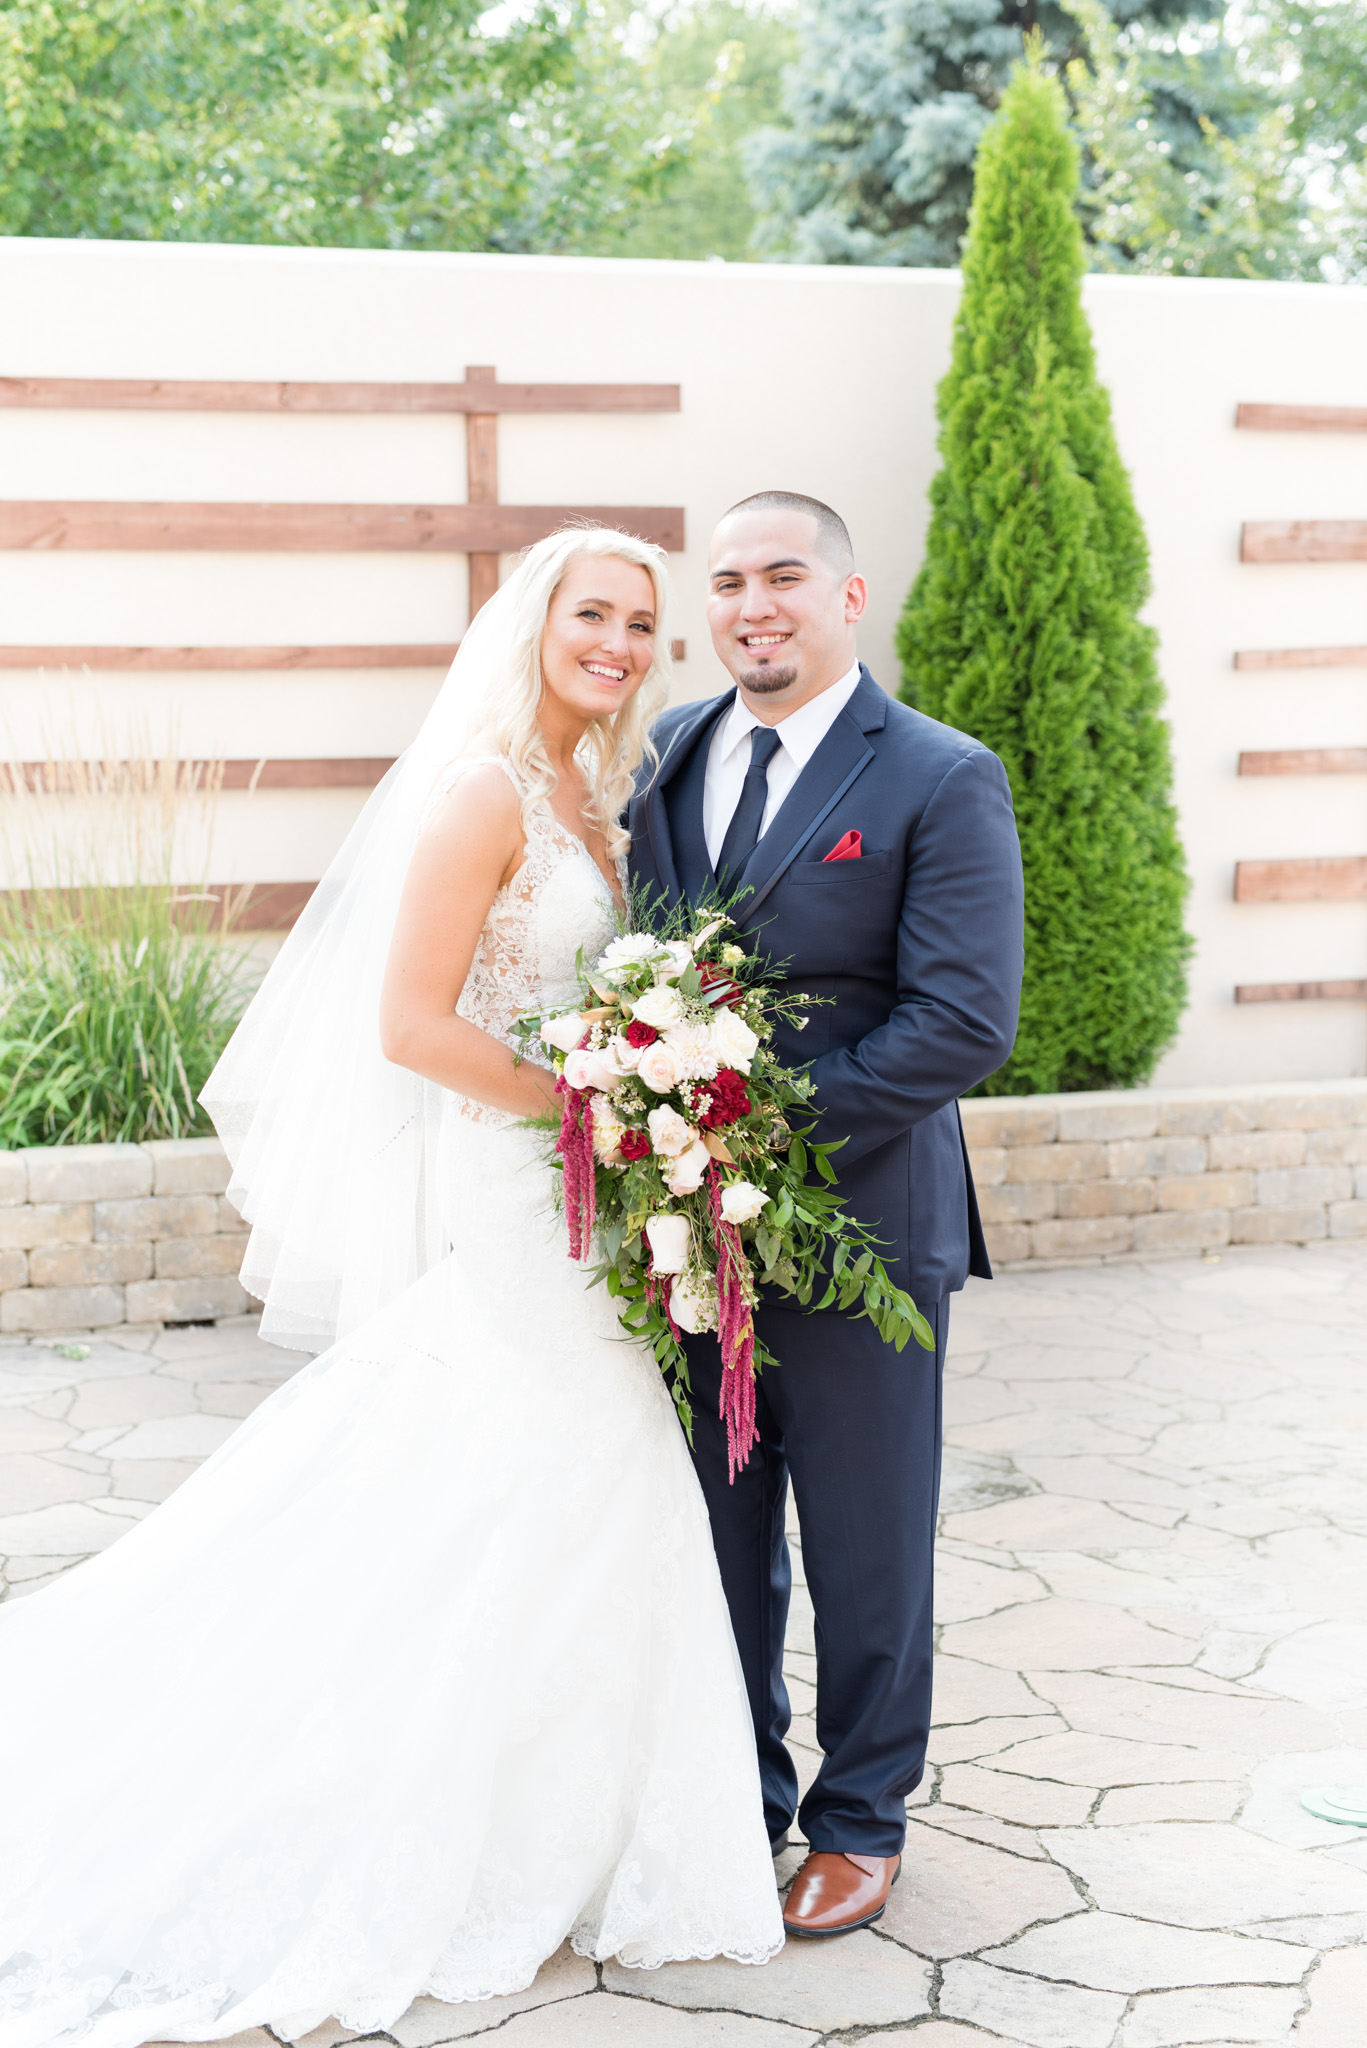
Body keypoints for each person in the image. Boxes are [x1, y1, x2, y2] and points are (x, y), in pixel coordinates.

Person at [0, 527, 782, 2048]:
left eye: (641, 622)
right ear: (536, 621)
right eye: (593, 614)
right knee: (568, 1466)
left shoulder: (605, 802)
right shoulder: (484, 791)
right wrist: (600, 1113)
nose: (619, 641)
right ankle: (467, 1820)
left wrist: (647, 1119)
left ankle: (563, 1821)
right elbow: (412, 1025)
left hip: (598, 1202)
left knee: (566, 1485)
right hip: (518, 1195)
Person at [628, 491, 1025, 1939]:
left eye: (783, 575)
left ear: (848, 597)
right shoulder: (670, 750)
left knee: (867, 1546)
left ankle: (861, 1823)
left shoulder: (938, 774)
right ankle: (741, 1798)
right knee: (716, 1538)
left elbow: (964, 1020)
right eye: (727, 582)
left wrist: (756, 1134)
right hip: (687, 1237)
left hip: (866, 1235)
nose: (753, 605)